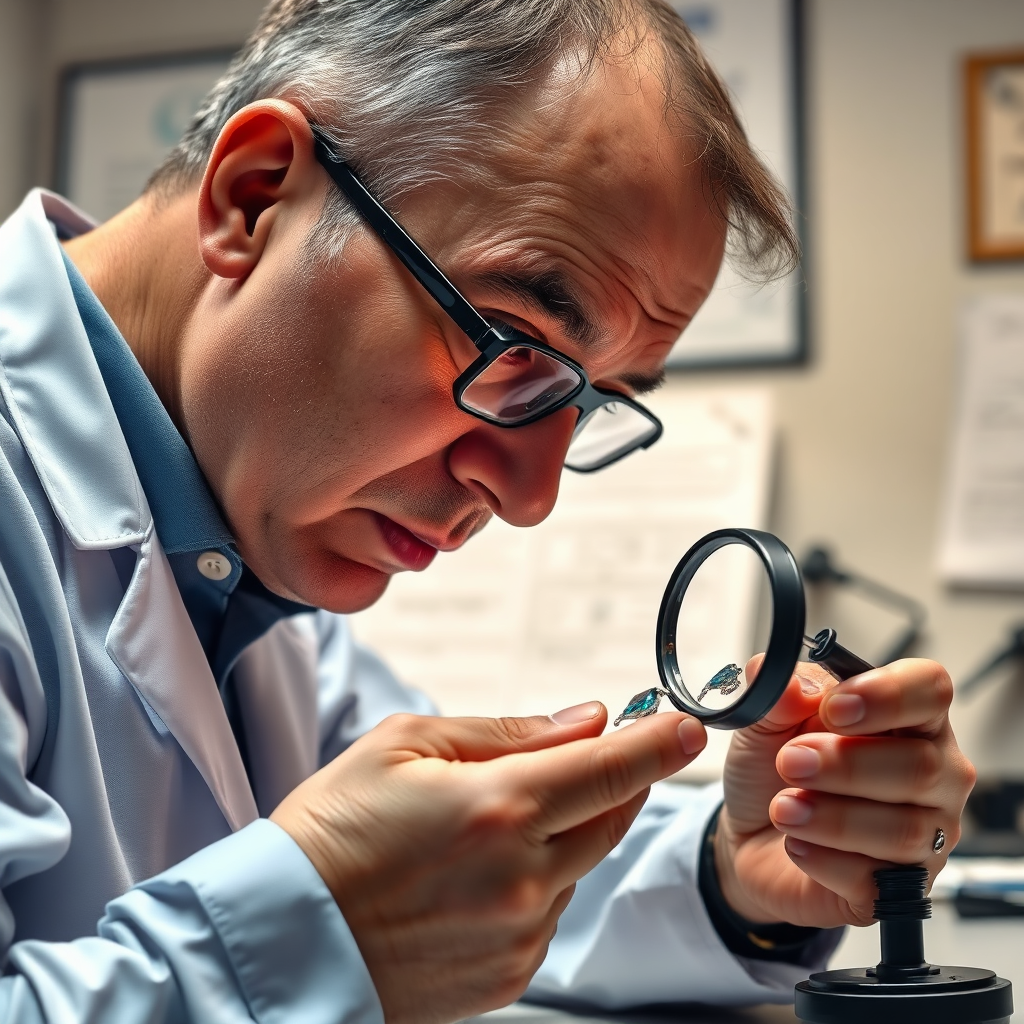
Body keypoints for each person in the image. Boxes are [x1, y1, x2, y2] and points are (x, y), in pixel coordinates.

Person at [0, 1, 975, 1021]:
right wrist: (305, 945)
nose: (526, 495)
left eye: (593, 400)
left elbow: (449, 865)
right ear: (253, 198)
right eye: (510, 346)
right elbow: (340, 901)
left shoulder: (241, 532)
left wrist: (739, 872)